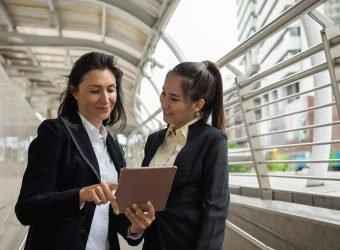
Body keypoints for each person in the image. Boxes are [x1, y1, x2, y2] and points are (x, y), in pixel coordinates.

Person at [15, 52, 155, 250]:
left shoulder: (114, 147)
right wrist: (80, 196)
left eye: (111, 89)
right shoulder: (55, 133)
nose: (105, 99)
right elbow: (27, 208)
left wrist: (134, 226)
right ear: (75, 91)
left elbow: (111, 215)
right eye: (95, 90)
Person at [141, 60, 229, 250]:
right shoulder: (153, 141)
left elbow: (215, 208)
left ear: (197, 104)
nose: (164, 102)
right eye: (163, 92)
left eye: (173, 98)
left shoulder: (213, 141)